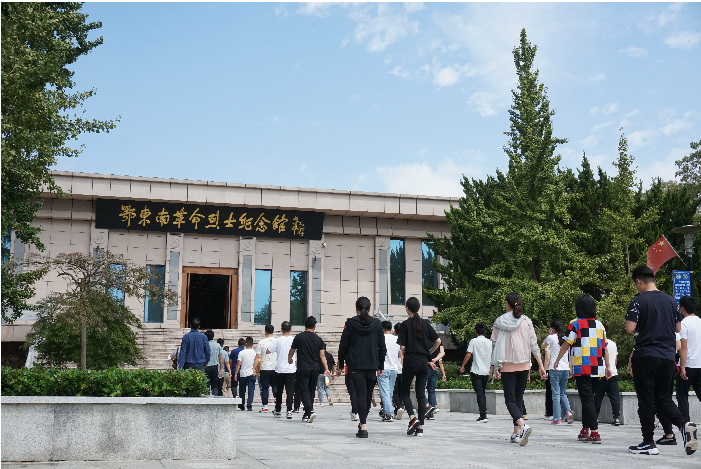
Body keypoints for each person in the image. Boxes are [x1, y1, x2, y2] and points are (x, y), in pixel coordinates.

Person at [624, 265, 697, 456]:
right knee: (663, 398)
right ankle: (684, 424)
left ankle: (648, 442)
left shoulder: (638, 301)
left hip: (645, 356)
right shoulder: (671, 301)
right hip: (667, 357)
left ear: (639, 281)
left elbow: (630, 328)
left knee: (646, 400)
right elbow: (678, 328)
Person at [490, 292, 546, 447]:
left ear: (507, 303)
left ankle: (522, 426)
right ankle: (516, 434)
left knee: (510, 399)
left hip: (507, 365)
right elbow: (534, 346)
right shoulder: (527, 321)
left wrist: (493, 366)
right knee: (518, 398)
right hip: (524, 364)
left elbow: (493, 344)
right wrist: (541, 366)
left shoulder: (500, 321)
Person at [554, 294, 610, 443]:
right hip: (597, 367)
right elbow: (605, 348)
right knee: (589, 399)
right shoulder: (600, 325)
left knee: (587, 400)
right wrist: (608, 366)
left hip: (582, 366)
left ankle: (594, 432)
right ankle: (585, 429)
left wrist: (557, 360)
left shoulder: (575, 324)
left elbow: (566, 343)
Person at [337, 297, 387, 438]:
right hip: (372, 364)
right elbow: (382, 346)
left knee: (360, 393)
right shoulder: (377, 324)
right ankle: (363, 422)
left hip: (355, 364)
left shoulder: (350, 324)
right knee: (368, 394)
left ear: (356, 308)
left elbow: (343, 345)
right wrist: (381, 364)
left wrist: (341, 364)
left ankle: (363, 426)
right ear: (369, 308)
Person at [397, 297, 440, 437]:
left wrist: (405, 350)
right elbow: (438, 341)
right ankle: (420, 428)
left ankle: (412, 418)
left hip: (410, 360)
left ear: (407, 308)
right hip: (423, 362)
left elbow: (402, 347)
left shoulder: (405, 325)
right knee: (421, 394)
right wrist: (428, 353)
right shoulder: (425, 324)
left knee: (404, 392)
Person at [289, 316, 329, 423]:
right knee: (311, 390)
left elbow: (292, 350)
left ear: (304, 325)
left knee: (303, 390)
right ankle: (307, 414)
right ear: (315, 326)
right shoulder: (318, 339)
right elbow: (322, 355)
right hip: (315, 368)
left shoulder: (299, 337)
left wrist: (289, 358)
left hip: (303, 368)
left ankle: (310, 410)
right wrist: (326, 368)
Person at [460, 322, 492, 423]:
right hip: (486, 371)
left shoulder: (473, 341)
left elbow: (468, 354)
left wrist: (463, 365)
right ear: (485, 331)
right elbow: (492, 355)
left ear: (475, 331)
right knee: (482, 392)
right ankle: (484, 413)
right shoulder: (489, 342)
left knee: (479, 393)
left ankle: (483, 415)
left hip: (476, 370)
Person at [544, 319, 573, 426]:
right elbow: (569, 354)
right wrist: (570, 369)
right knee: (563, 392)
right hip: (565, 368)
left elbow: (543, 346)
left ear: (552, 328)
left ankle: (557, 418)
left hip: (555, 368)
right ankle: (568, 412)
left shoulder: (551, 337)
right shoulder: (566, 338)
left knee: (556, 394)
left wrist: (549, 335)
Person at [267, 321, 296, 419]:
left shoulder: (278, 340)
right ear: (291, 329)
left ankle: (278, 410)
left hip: (279, 369)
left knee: (279, 391)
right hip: (291, 369)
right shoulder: (294, 340)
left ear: (281, 329)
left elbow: (268, 350)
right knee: (290, 391)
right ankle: (289, 411)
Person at [679, 295, 701, 423]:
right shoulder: (700, 322)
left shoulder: (683, 324)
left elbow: (683, 347)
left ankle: (686, 424)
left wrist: (682, 367)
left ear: (682, 308)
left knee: (682, 395)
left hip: (688, 364)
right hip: (699, 364)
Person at [594, 324, 620, 425]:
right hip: (613, 373)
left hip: (601, 373)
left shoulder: (597, 343)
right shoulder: (613, 343)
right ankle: (616, 417)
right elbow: (616, 360)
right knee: (614, 396)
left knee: (598, 396)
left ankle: (595, 417)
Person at [378, 320, 400, 422]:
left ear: (382, 328)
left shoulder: (380, 338)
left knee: (385, 392)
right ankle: (387, 411)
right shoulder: (396, 339)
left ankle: (389, 413)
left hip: (383, 367)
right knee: (390, 392)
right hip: (394, 368)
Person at [255, 324, 277, 413]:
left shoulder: (261, 342)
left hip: (265, 368)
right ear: (273, 331)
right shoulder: (277, 341)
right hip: (275, 367)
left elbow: (257, 356)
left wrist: (254, 367)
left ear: (265, 331)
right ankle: (277, 400)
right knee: (275, 386)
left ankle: (265, 406)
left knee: (265, 388)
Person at [235, 337, 256, 411]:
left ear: (245, 344)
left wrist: (236, 373)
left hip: (243, 373)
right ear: (252, 344)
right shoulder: (254, 352)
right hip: (252, 373)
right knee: (251, 390)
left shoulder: (242, 352)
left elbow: (238, 363)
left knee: (242, 390)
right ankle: (249, 405)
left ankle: (241, 405)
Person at [425, 344, 446, 420]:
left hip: (426, 367)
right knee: (432, 390)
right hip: (436, 368)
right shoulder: (437, 340)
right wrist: (435, 359)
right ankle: (431, 414)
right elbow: (442, 352)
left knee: (419, 388)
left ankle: (427, 405)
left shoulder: (423, 338)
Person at [392, 321, 405, 420]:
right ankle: (399, 407)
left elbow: (400, 355)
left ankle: (399, 406)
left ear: (395, 331)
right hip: (402, 370)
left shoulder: (393, 340)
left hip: (394, 368)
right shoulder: (404, 341)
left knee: (394, 391)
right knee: (400, 391)